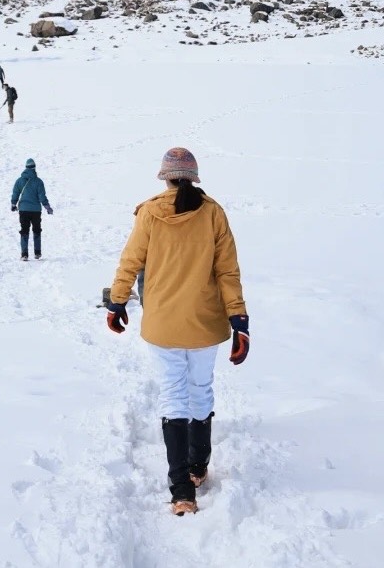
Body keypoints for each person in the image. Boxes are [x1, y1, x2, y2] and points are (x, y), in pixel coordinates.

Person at [105, 147, 248, 516]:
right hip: (204, 322)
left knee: (173, 396)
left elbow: (130, 260)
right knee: (200, 390)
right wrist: (239, 322)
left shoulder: (150, 213)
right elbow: (227, 272)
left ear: (165, 177)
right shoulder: (214, 213)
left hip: (163, 323)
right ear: (194, 177)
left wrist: (117, 302)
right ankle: (199, 466)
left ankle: (182, 489)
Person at [11, 157, 53, 260]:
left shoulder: (19, 181)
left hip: (23, 210)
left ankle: (24, 254)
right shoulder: (39, 182)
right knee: (37, 230)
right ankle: (37, 253)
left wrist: (13, 204)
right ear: (34, 168)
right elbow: (42, 197)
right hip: (36, 211)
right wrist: (48, 208)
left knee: (24, 231)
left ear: (25, 167)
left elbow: (15, 193)